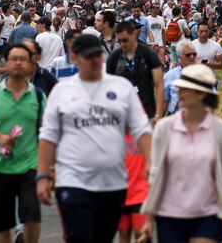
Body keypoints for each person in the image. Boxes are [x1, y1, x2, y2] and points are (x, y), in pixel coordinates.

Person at [36, 34, 152, 243]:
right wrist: (43, 175)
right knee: (79, 237)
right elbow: (48, 135)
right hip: (72, 179)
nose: (95, 61)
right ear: (74, 56)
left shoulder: (121, 87)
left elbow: (141, 129)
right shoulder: (62, 91)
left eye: (98, 55)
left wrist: (151, 161)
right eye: (88, 56)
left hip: (113, 183)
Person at [141, 64, 222, 243]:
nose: (178, 93)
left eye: (184, 89)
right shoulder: (165, 128)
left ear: (201, 94)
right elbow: (155, 173)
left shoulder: (221, 130)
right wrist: (148, 218)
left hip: (208, 214)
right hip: (169, 215)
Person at [0, 42, 44, 243]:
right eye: (13, 59)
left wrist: (49, 167)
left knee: (32, 218)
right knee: (1, 225)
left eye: (23, 59)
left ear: (31, 64)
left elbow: (47, 131)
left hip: (30, 166)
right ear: (6, 63)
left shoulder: (38, 96)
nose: (18, 63)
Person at [107, 20, 164, 122]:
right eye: (119, 41)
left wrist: (158, 114)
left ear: (133, 34)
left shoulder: (148, 54)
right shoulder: (114, 57)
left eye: (125, 40)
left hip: (147, 111)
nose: (122, 44)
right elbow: (107, 87)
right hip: (122, 112)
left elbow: (159, 85)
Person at [160, 40, 197, 116]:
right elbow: (164, 101)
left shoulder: (203, 74)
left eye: (194, 54)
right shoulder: (170, 75)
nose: (192, 57)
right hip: (176, 118)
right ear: (180, 56)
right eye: (188, 55)